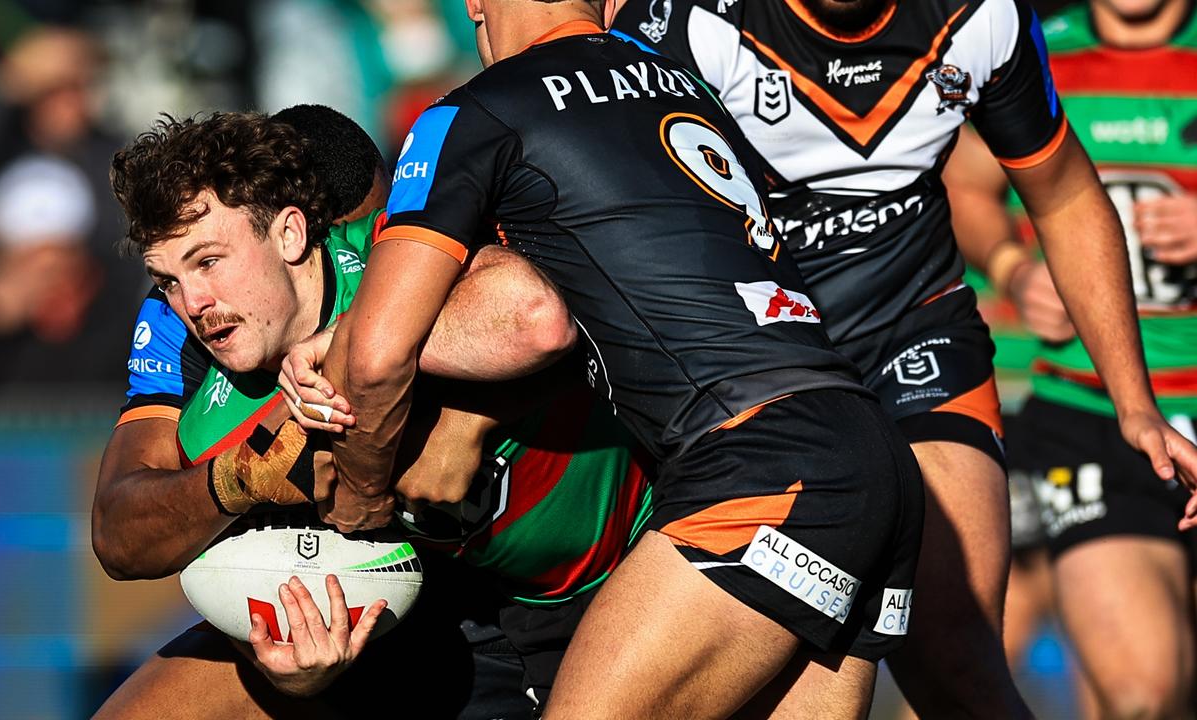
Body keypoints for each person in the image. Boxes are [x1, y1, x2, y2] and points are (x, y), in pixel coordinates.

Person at [319, 1, 924, 717]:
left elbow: (378, 355)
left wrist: (360, 508)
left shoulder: (476, 112)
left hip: (758, 463)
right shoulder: (687, 86)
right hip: (871, 450)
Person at [610, 0, 1197, 715]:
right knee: (772, 670)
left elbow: (1067, 194)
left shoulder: (984, 16)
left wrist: (1135, 406)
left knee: (956, 651)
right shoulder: (687, 21)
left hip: (916, 337)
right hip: (749, 361)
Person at [94, 106, 649, 717]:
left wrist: (449, 408)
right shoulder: (200, 389)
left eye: (208, 261)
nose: (192, 301)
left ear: (291, 234)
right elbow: (122, 536)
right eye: (167, 278)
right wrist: (243, 483)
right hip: (431, 600)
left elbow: (537, 315)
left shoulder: (391, 251)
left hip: (621, 562)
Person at [943, 1, 1197, 715]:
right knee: (1138, 693)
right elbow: (963, 185)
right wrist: (1013, 267)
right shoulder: (1031, 50)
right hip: (1093, 416)